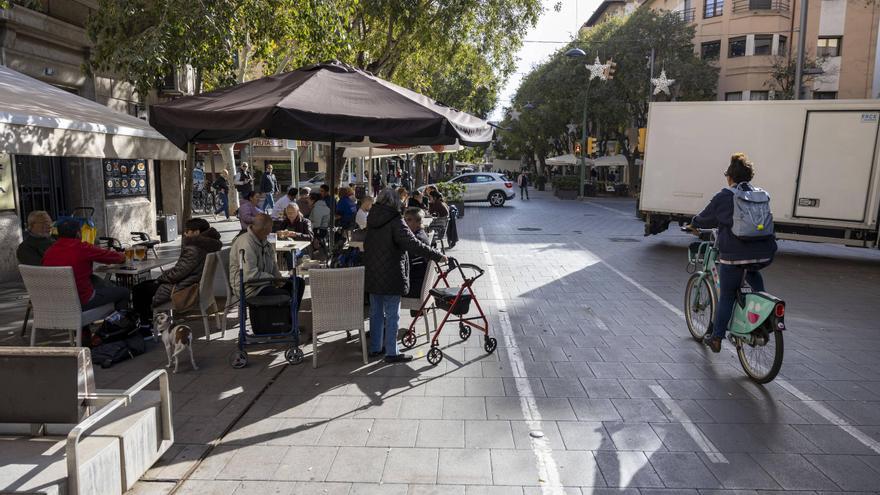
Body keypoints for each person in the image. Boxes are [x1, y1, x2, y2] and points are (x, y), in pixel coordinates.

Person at [690, 153, 777, 353]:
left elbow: (705, 219)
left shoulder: (724, 196)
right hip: (763, 253)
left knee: (727, 296)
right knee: (756, 282)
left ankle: (717, 338)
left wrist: (693, 224)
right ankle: (763, 316)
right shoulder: (758, 195)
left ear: (730, 177)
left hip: (734, 256)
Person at [365, 189, 445, 363]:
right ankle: (392, 352)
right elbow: (413, 243)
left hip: (372, 272)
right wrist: (437, 255)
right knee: (392, 313)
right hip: (392, 272)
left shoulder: (371, 218)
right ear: (395, 202)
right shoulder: (396, 220)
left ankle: (375, 348)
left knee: (376, 312)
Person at [132, 218, 222, 321]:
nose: (185, 233)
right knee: (146, 285)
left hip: (182, 288)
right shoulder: (211, 245)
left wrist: (160, 279)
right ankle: (148, 321)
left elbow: (178, 273)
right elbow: (181, 270)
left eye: (187, 231)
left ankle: (145, 325)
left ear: (196, 232)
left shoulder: (194, 249)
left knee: (139, 289)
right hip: (192, 284)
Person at [42, 218, 129, 311]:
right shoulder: (82, 248)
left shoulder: (49, 251)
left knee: (99, 283)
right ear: (78, 233)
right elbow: (114, 257)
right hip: (82, 301)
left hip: (57, 302)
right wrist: (123, 256)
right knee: (124, 292)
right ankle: (118, 323)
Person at [229, 213, 305, 309]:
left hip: (264, 283)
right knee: (284, 294)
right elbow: (250, 276)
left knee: (298, 283)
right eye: (270, 228)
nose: (271, 231)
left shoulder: (264, 241)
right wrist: (273, 279)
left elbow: (273, 266)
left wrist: (279, 279)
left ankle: (289, 320)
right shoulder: (246, 243)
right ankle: (284, 321)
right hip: (250, 288)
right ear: (263, 229)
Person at [403, 207, 431, 299]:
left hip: (414, 287)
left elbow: (404, 260)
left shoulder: (416, 239)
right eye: (405, 219)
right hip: (417, 282)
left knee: (380, 290)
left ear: (418, 221)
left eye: (409, 220)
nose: (405, 222)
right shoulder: (420, 234)